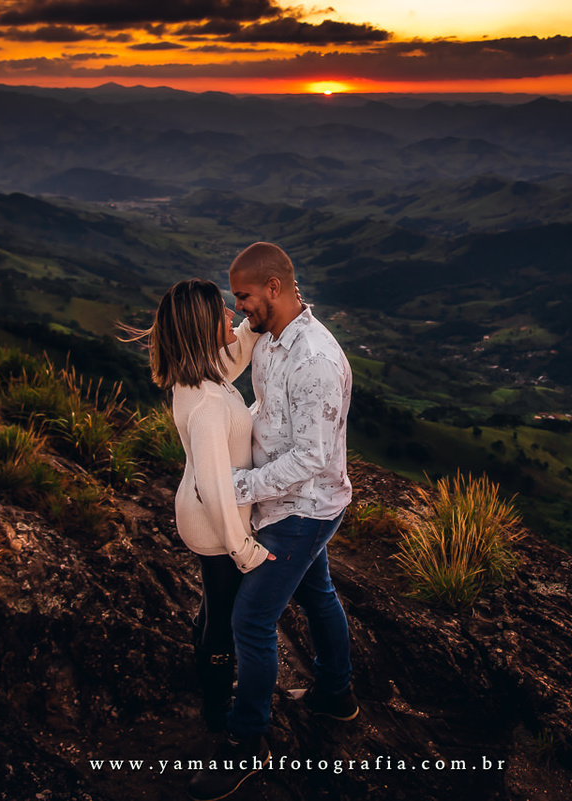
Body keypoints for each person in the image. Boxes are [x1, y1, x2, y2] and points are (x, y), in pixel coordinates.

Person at [188, 243, 358, 801]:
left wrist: (234, 487)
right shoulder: (269, 343)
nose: (238, 311)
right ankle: (337, 695)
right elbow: (267, 410)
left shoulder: (316, 360)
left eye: (243, 297)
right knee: (318, 593)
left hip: (304, 509)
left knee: (251, 620)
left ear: (274, 288)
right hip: (286, 502)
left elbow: (311, 458)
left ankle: (246, 741)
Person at [127, 279, 273, 735]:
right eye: (222, 313)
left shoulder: (198, 377)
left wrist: (260, 318)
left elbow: (235, 353)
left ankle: (207, 678)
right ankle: (216, 711)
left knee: (213, 604)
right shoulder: (208, 400)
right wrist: (243, 549)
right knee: (225, 620)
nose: (231, 314)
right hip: (213, 523)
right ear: (200, 327)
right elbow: (215, 488)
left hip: (197, 513)